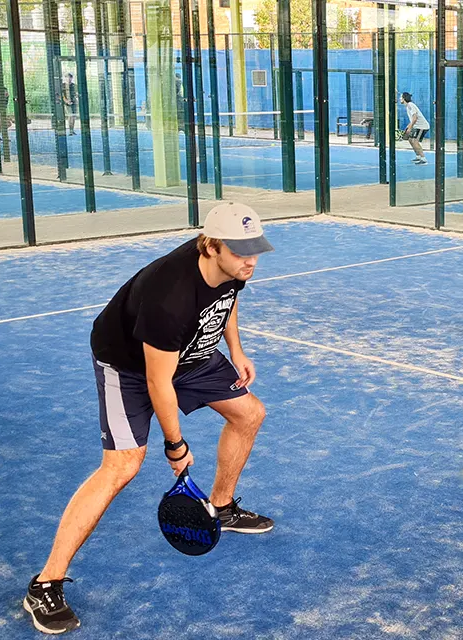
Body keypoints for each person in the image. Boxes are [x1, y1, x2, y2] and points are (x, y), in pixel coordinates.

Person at [23, 203, 276, 635]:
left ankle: (221, 506)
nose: (250, 259)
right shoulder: (169, 297)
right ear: (212, 247)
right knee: (123, 465)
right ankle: (45, 584)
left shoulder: (233, 268)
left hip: (191, 354)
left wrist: (236, 351)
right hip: (132, 365)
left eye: (255, 250)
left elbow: (228, 300)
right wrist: (175, 446)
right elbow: (160, 384)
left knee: (249, 413)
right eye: (240, 252)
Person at [400, 92, 430, 165]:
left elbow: (415, 118)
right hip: (417, 126)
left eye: (401, 97)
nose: (400, 99)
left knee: (415, 141)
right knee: (410, 140)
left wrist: (410, 128)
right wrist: (408, 126)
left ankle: (423, 159)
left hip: (422, 126)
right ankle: (418, 156)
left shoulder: (410, 105)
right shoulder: (408, 106)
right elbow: (412, 119)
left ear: (404, 98)